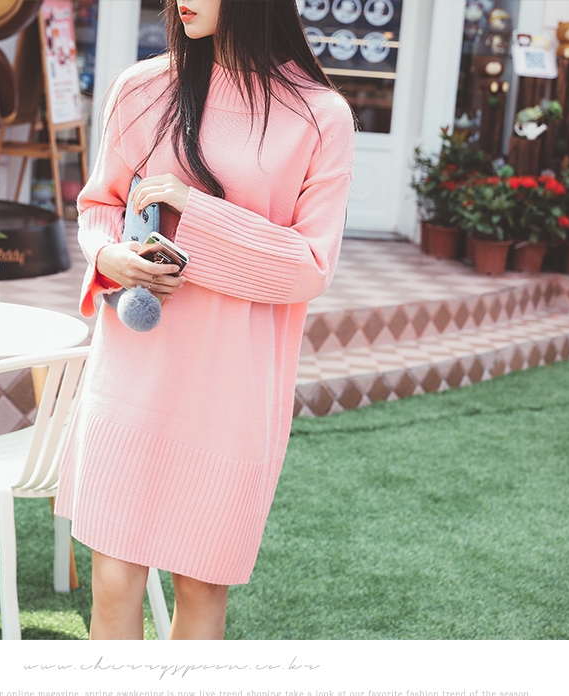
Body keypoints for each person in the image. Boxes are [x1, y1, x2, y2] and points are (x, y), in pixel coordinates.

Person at [53, 0, 356, 639]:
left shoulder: (321, 116)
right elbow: (101, 203)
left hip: (231, 392)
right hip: (135, 371)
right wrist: (109, 257)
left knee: (200, 589)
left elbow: (309, 266)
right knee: (113, 583)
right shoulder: (141, 88)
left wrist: (194, 211)